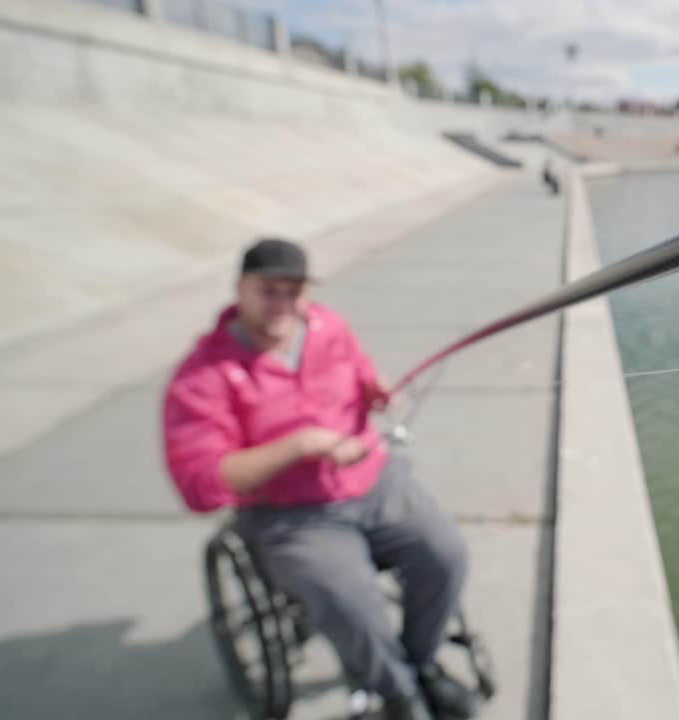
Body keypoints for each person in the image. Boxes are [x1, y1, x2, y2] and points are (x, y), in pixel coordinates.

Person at [161, 238, 478, 720]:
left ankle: (417, 667)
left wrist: (373, 386)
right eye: (269, 290)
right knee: (352, 603)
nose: (283, 305)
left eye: (295, 291)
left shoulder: (328, 326)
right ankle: (402, 697)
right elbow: (200, 482)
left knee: (445, 555)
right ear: (239, 289)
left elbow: (359, 369)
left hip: (375, 483)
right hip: (292, 517)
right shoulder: (202, 376)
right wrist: (301, 445)